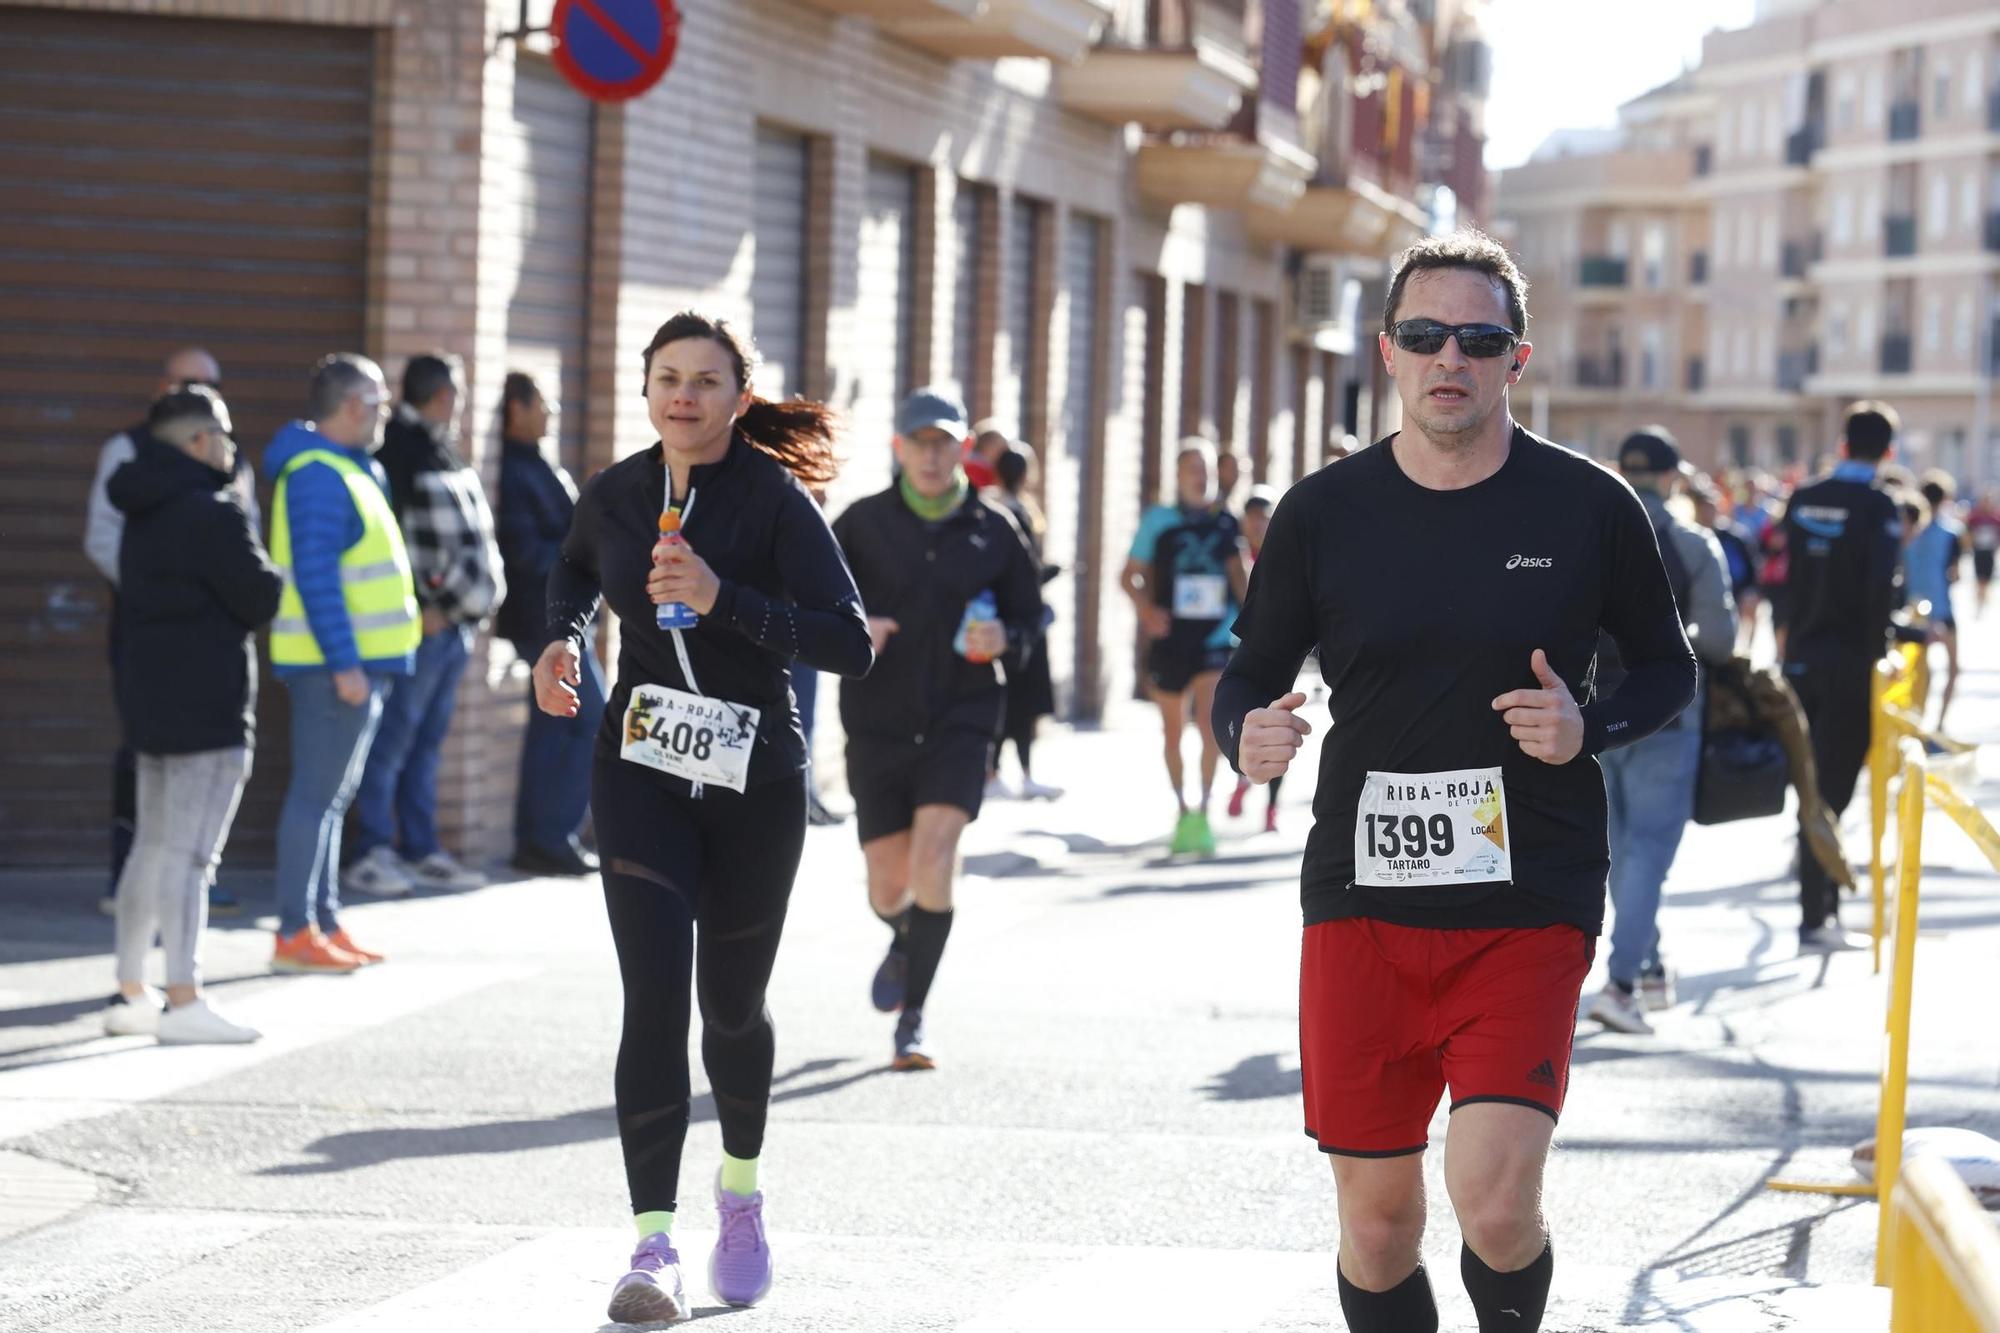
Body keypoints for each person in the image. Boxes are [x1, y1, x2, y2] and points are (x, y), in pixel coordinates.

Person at [1215, 230, 1696, 1333]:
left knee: (1491, 1205)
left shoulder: (1586, 506)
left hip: (1529, 896)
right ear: (1385, 351)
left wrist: (1588, 725)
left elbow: (1664, 668)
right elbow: (1248, 667)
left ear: (1515, 360)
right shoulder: (1321, 512)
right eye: (1425, 335)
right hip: (1360, 897)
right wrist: (1242, 727)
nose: (1450, 358)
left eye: (1477, 339)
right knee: (1377, 1227)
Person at [532, 312, 872, 1323]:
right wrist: (558, 638)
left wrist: (723, 597)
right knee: (651, 997)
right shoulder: (616, 493)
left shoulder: (772, 501)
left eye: (705, 380)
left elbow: (847, 642)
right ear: (646, 391)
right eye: (667, 378)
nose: (684, 396)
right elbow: (570, 570)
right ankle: (650, 1244)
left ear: (736, 397)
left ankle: (739, 1191)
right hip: (637, 768)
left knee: (727, 1006)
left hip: (752, 783)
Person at [833, 386, 1045, 1072]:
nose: (931, 455)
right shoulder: (860, 525)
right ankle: (906, 934)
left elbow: (1031, 621)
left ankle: (913, 1019)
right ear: (899, 449)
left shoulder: (994, 529)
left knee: (935, 860)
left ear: (962, 449)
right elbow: (811, 608)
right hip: (877, 721)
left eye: (943, 442)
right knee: (887, 887)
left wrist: (1003, 635)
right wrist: (852, 630)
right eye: (919, 443)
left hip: (962, 715)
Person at [101, 386, 283, 1043]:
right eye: (226, 435)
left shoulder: (139, 507)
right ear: (199, 441)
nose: (234, 448)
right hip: (208, 705)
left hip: (149, 699)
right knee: (191, 856)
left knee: (152, 845)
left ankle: (131, 990)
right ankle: (184, 999)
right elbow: (259, 595)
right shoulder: (215, 512)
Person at [82, 347, 249, 918]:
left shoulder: (228, 458)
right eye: (187, 384)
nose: (200, 394)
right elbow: (104, 536)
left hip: (211, 640)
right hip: (146, 628)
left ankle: (195, 884)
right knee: (143, 758)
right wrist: (158, 587)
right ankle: (128, 881)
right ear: (162, 388)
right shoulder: (127, 454)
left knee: (196, 786)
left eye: (211, 384)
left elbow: (247, 552)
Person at [265, 353, 418, 974]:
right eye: (379, 403)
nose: (385, 414)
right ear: (353, 406)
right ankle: (295, 933)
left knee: (331, 799)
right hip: (334, 671)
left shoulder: (348, 470)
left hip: (351, 667)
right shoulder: (318, 476)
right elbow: (316, 579)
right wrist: (345, 664)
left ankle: (321, 921)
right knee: (314, 798)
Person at [1584, 431, 1737, 1035]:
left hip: (1592, 716)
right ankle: (1622, 984)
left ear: (1623, 470)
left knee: (1620, 851)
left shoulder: (1590, 536)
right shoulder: (1693, 542)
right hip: (1667, 718)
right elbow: (1721, 641)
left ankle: (1646, 964)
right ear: (1673, 477)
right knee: (1647, 852)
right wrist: (1667, 643)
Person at [343, 353, 504, 897]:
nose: (459, 404)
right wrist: (426, 605)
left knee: (426, 742)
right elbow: (399, 540)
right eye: (455, 393)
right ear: (441, 396)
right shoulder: (401, 453)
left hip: (456, 625)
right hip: (425, 627)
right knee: (392, 741)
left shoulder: (439, 445)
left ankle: (419, 847)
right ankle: (372, 850)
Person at [1779, 401, 1904, 953]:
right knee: (1832, 793)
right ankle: (1817, 916)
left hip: (1800, 661)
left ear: (1844, 443)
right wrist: (1886, 648)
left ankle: (1821, 907)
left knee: (1811, 790)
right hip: (1851, 666)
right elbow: (1881, 590)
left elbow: (1787, 578)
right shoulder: (1879, 506)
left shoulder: (1805, 497)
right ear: (1889, 452)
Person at [496, 372, 603, 874]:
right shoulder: (513, 473)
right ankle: (544, 838)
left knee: (570, 723)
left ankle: (551, 836)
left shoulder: (539, 465)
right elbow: (524, 553)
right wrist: (576, 562)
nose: (552, 410)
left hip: (568, 622)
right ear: (516, 408)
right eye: (542, 402)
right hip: (544, 622)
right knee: (577, 719)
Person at [1122, 439, 1248, 855]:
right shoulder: (1159, 521)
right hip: (1170, 639)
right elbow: (1129, 575)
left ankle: (1205, 809)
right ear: (1177, 475)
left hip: (1214, 637)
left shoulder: (1226, 523)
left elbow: (1239, 580)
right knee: (1173, 732)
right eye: (1192, 469)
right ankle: (1181, 808)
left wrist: (1255, 627)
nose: (1201, 476)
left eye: (1207, 469)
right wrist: (1146, 611)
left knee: (1210, 724)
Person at [988, 444, 1063, 800]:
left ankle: (1014, 771)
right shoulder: (1008, 511)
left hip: (1011, 616)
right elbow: (1022, 569)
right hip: (1017, 619)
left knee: (1020, 697)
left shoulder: (1004, 506)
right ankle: (999, 772)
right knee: (1018, 696)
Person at [1226, 485, 1284, 833]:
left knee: (1277, 729)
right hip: (1234, 649)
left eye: (1266, 519)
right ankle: (1242, 780)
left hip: (1276, 656)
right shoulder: (1234, 554)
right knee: (1245, 725)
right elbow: (1242, 595)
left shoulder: (1284, 554)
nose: (1259, 525)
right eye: (1253, 519)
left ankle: (1271, 808)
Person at [1904, 471, 1962, 732]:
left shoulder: (1909, 528)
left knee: (1919, 673)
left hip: (1912, 610)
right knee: (1952, 667)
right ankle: (1939, 724)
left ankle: (1917, 719)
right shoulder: (1952, 532)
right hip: (1942, 607)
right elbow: (1955, 573)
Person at [1966, 488, 1999, 616]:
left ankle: (1984, 598)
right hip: (1978, 551)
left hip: (1989, 552)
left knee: (1987, 577)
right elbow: (1968, 531)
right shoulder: (1975, 517)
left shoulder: (1996, 518)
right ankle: (1980, 598)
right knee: (1980, 576)